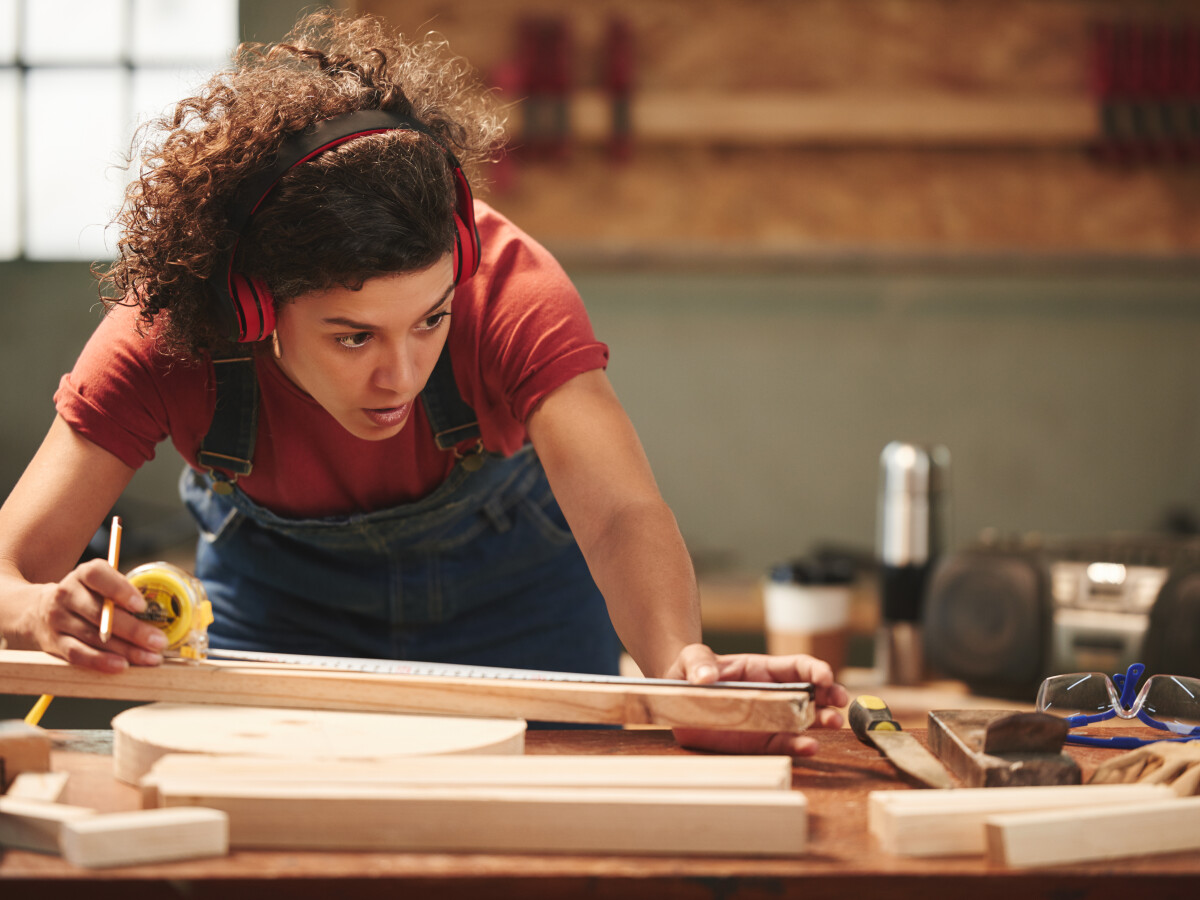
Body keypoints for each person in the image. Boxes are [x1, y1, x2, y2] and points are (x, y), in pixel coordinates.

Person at [0, 11, 846, 754]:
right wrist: (42, 615)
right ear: (253, 307)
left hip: (521, 610)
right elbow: (8, 571)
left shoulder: (512, 287)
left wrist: (680, 674)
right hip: (281, 621)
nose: (399, 375)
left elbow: (622, 514)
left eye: (432, 321)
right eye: (352, 335)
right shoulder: (171, 333)